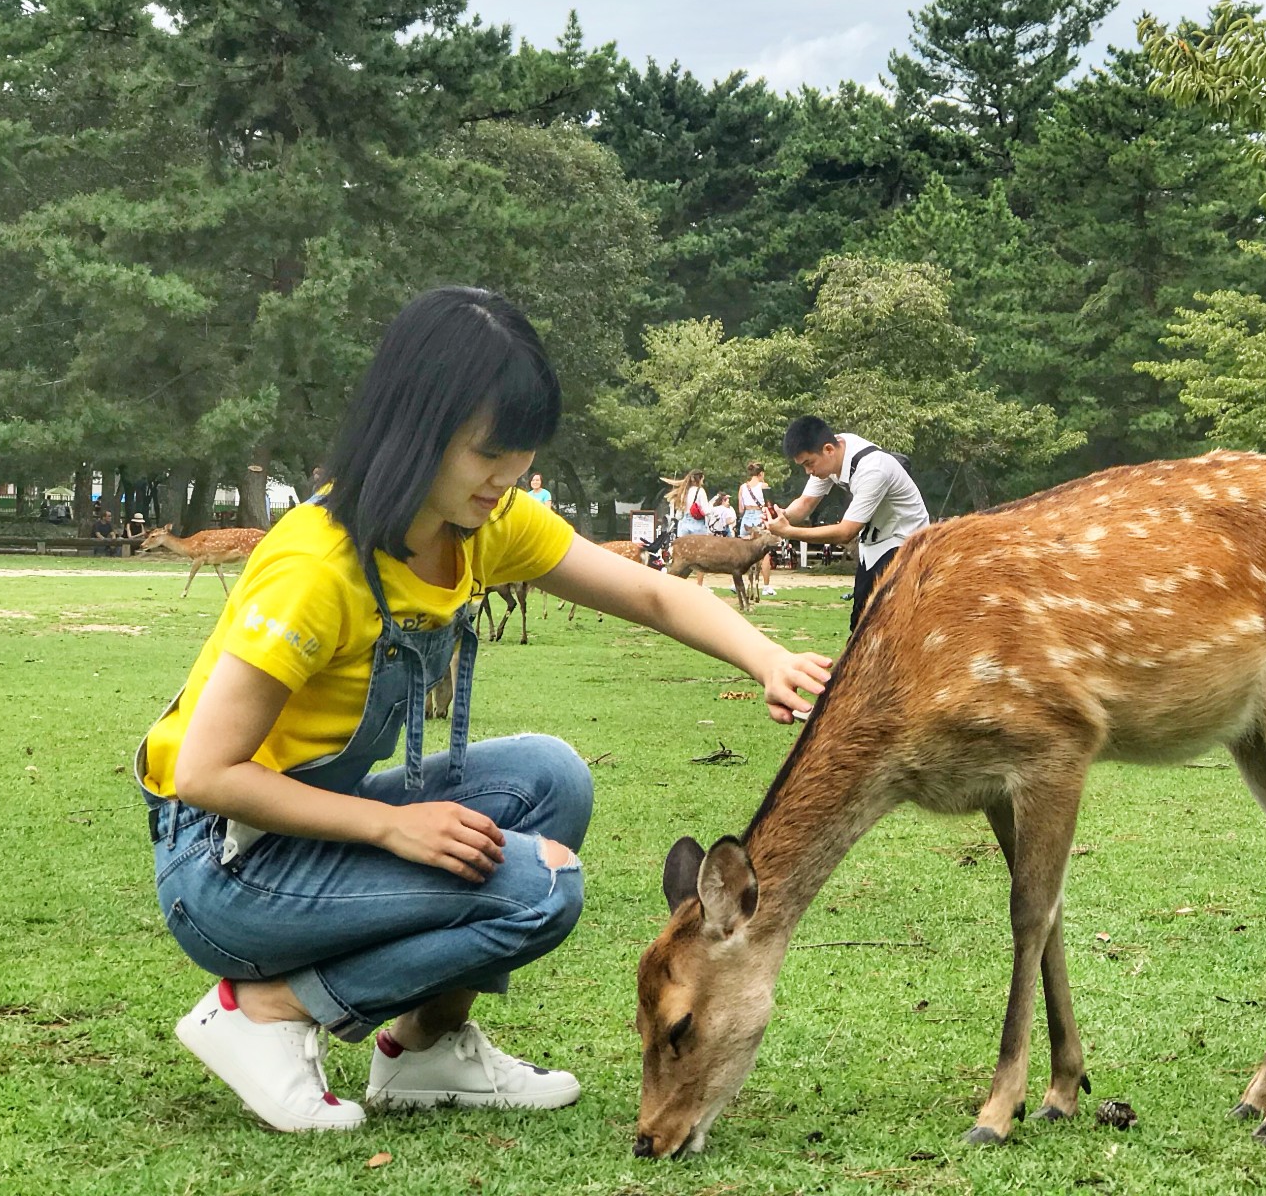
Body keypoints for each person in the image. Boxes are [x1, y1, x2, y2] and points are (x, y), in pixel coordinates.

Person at [134, 289, 830, 1134]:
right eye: (489, 454)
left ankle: (425, 1047)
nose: (507, 479)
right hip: (220, 866)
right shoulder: (315, 566)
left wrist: (767, 657)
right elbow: (206, 773)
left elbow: (651, 593)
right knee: (542, 890)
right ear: (415, 428)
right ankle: (270, 1009)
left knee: (552, 782)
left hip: (303, 832)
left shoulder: (478, 524)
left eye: (522, 454)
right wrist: (390, 827)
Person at [769, 416, 929, 630]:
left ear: (828, 450)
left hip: (905, 543)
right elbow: (806, 504)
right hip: (873, 545)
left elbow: (846, 532)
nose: (808, 471)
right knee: (860, 624)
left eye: (809, 463)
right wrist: (782, 516)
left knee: (883, 626)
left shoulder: (873, 469)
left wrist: (789, 532)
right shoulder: (834, 454)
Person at [738, 461, 777, 598]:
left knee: (743, 553)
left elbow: (741, 509)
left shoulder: (743, 487)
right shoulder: (764, 486)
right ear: (761, 473)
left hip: (747, 518)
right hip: (759, 516)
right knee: (764, 553)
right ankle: (766, 586)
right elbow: (769, 505)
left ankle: (738, 582)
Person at [666, 470, 710, 585]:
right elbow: (705, 511)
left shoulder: (683, 491)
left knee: (683, 555)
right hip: (697, 523)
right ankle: (699, 584)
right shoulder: (700, 491)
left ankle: (677, 581)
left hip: (684, 523)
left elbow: (679, 513)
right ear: (699, 479)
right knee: (700, 555)